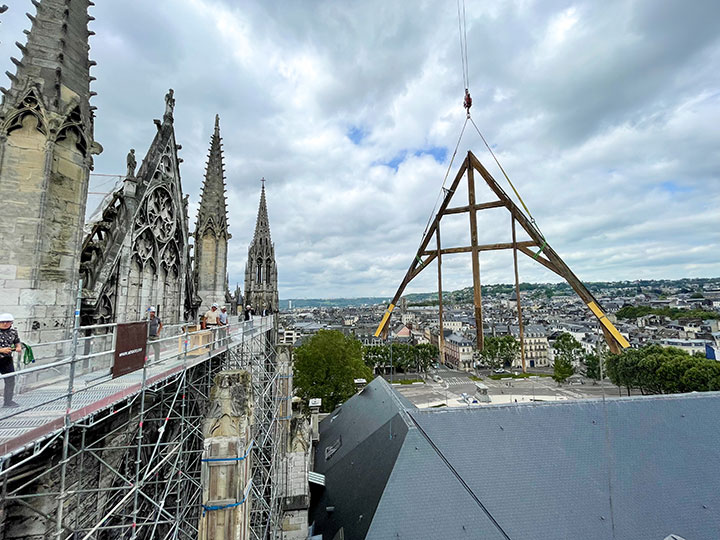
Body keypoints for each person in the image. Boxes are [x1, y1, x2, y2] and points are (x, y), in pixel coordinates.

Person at [0, 313, 21, 408]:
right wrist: (1, 350)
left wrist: (18, 347)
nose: (4, 324)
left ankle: (8, 401)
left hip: (7, 359)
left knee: (10, 380)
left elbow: (16, 340)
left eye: (7, 322)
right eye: (2, 322)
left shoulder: (13, 332)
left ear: (11, 323)